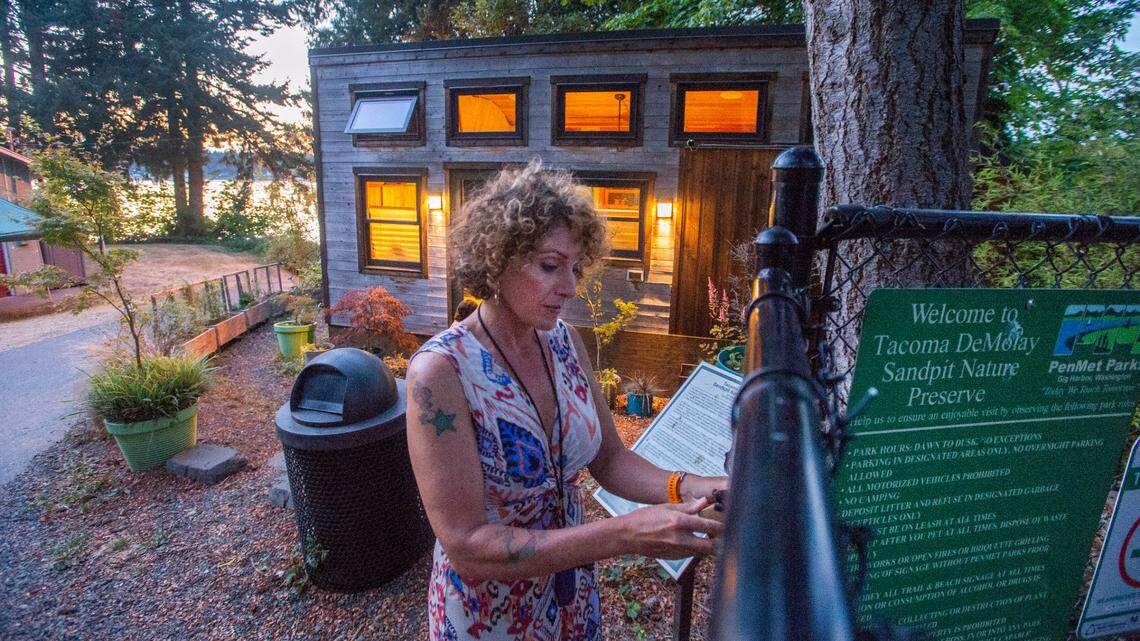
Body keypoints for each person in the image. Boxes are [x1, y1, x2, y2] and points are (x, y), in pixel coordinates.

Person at [406, 160, 726, 641]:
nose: (571, 287)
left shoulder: (564, 342)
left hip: (571, 598)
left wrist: (705, 487)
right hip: (487, 617)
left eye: (575, 267)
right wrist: (624, 535)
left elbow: (612, 460)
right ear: (497, 258)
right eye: (550, 265)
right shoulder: (441, 373)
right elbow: (467, 545)